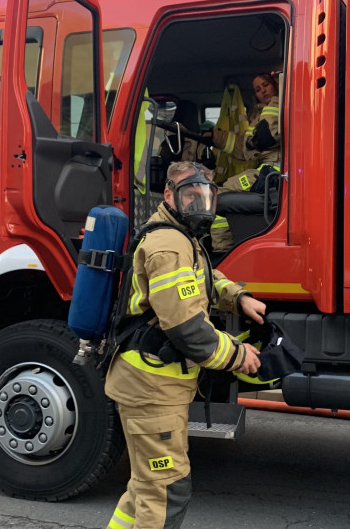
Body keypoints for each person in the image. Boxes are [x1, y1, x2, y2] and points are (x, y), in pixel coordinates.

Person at [105, 161, 265, 529]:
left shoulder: (180, 236)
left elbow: (203, 278)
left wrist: (236, 297)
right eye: (190, 194)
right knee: (165, 493)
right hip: (152, 388)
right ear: (169, 195)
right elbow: (188, 328)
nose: (200, 204)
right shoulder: (169, 245)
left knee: (145, 487)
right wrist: (238, 355)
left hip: (153, 385)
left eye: (205, 196)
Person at [210, 73, 283, 253]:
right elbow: (245, 149)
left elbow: (264, 138)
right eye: (258, 89)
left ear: (275, 84)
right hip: (265, 172)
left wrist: (253, 141)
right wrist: (215, 137)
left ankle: (222, 254)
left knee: (215, 195)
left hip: (270, 173)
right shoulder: (259, 113)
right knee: (217, 188)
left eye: (265, 85)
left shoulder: (277, 104)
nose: (262, 91)